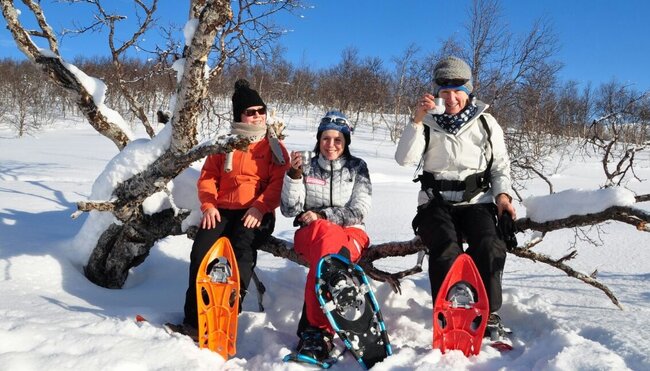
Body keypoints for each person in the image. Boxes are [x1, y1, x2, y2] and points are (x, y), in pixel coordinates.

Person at [395, 56, 517, 335]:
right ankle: (448, 311)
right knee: (446, 246)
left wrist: (503, 198)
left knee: (488, 244)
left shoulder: (486, 123)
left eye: (457, 90)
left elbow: (500, 166)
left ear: (469, 91)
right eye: (444, 91)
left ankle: (488, 311)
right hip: (435, 203)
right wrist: (416, 119)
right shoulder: (427, 122)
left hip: (477, 202)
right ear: (436, 93)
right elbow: (404, 158)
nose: (451, 98)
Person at [175, 79, 290, 336]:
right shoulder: (225, 144)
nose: (258, 116)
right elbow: (208, 177)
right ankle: (194, 321)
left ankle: (226, 313)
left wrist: (260, 207)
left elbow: (278, 183)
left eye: (261, 111)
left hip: (257, 211)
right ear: (240, 115)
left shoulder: (273, 147)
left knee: (242, 249)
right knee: (201, 253)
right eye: (251, 112)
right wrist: (209, 205)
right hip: (223, 209)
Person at [281, 110, 372, 362]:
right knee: (328, 249)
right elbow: (290, 210)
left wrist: (324, 215)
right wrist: (294, 176)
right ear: (318, 139)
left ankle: (315, 333)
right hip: (311, 234)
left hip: (352, 234)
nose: (331, 145)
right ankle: (340, 305)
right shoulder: (306, 162)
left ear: (346, 142)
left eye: (338, 140)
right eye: (325, 139)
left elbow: (359, 211)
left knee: (326, 261)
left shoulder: (358, 168)